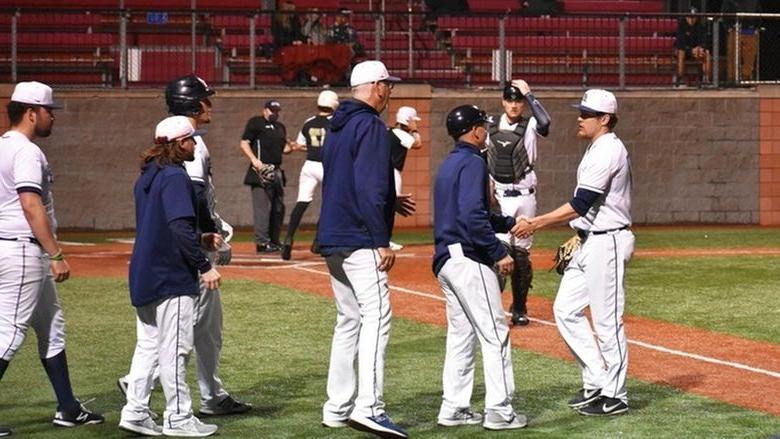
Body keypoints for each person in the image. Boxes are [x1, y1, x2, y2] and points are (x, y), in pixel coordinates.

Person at [117, 75, 251, 419]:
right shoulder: (188, 148)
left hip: (166, 254)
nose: (211, 104)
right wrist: (210, 237)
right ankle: (170, 399)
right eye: (206, 99)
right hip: (186, 253)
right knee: (189, 331)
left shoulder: (157, 159)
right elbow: (189, 202)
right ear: (193, 105)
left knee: (182, 330)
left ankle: (203, 393)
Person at [514, 89, 634, 416]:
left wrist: (535, 223)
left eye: (586, 113)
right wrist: (579, 233)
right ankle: (597, 380)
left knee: (607, 321)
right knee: (565, 309)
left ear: (605, 119)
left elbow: (581, 203)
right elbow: (585, 211)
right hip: (590, 239)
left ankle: (616, 394)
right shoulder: (597, 148)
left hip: (608, 241)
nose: (579, 118)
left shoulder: (609, 150)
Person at [0, 81, 104, 436]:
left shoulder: (2, 147)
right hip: (23, 249)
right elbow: (31, 205)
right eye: (49, 111)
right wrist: (55, 253)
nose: (52, 118)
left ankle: (68, 408)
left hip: (14, 247)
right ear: (31, 113)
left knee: (51, 328)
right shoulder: (26, 151)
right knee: (9, 334)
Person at [318, 60, 410, 438]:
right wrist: (380, 238)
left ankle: (337, 407)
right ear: (375, 86)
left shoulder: (336, 125)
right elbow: (370, 186)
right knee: (376, 317)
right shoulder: (371, 124)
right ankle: (369, 407)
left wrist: (389, 200)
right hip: (359, 237)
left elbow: (349, 180)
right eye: (387, 85)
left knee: (349, 320)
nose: (389, 91)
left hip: (334, 234)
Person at [119, 116, 222, 437]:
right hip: (170, 274)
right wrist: (204, 265)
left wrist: (201, 239)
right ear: (179, 144)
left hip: (144, 272)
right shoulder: (176, 177)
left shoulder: (147, 177)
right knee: (175, 347)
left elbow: (165, 224)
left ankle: (135, 411)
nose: (195, 144)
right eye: (192, 139)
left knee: (148, 345)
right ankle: (178, 418)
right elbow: (178, 226)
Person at [433, 104, 528, 431]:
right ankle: (500, 411)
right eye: (482, 126)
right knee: (495, 333)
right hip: (470, 260)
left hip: (447, 259)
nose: (485, 130)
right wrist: (496, 252)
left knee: (461, 336)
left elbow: (469, 213)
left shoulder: (450, 163)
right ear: (474, 130)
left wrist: (509, 222)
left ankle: (454, 407)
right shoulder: (474, 161)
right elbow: (473, 217)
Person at [486, 79, 551, 326]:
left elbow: (546, 123)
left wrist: (530, 94)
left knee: (521, 255)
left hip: (524, 195)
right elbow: (484, 157)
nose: (514, 105)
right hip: (500, 195)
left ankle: (520, 307)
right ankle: (493, 307)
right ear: (503, 101)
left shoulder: (532, 123)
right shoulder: (491, 124)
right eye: (510, 100)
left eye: (518, 101)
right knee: (501, 251)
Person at [281, 90, 339, 261]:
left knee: (301, 203)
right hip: (327, 166)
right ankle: (318, 241)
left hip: (309, 165)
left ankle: (289, 238)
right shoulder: (335, 122)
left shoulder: (309, 122)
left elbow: (299, 145)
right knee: (329, 204)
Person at [240, 100, 294, 253]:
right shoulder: (256, 123)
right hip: (261, 170)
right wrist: (254, 160)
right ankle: (262, 242)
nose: (274, 113)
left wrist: (292, 147)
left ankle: (274, 240)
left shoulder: (280, 127)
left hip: (276, 170)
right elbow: (244, 143)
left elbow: (284, 148)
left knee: (278, 208)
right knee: (262, 208)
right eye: (272, 110)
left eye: (277, 111)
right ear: (265, 110)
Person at [387, 106, 423, 251]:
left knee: (386, 205)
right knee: (390, 206)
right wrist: (414, 130)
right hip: (392, 172)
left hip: (384, 172)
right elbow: (418, 144)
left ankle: (382, 238)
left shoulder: (390, 131)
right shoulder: (401, 133)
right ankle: (385, 239)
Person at [721, 0, 760, 82]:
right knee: (732, 54)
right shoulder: (729, 2)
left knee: (749, 56)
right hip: (734, 30)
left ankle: (747, 77)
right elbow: (724, 13)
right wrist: (728, 28)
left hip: (749, 30)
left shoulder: (754, 2)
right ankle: (732, 78)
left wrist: (756, 27)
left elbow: (759, 13)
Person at [674, 7, 711, 86]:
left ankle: (706, 78)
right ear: (686, 17)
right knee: (681, 52)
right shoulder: (682, 26)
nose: (692, 20)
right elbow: (680, 43)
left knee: (706, 53)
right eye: (690, 17)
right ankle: (680, 78)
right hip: (685, 50)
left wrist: (701, 48)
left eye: (694, 17)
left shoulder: (700, 26)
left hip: (696, 51)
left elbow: (704, 40)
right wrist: (690, 50)